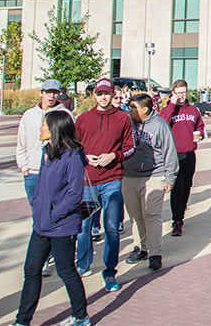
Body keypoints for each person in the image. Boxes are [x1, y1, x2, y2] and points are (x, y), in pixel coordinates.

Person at [14, 110, 89, 326]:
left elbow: (75, 194)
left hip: (62, 225)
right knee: (31, 269)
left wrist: (53, 215)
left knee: (66, 270)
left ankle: (81, 316)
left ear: (55, 129)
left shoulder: (73, 157)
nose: (40, 129)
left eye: (44, 125)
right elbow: (41, 186)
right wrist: (39, 212)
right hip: (42, 225)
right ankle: (22, 320)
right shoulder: (47, 152)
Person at [75, 77, 135, 291]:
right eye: (99, 93)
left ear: (112, 94)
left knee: (111, 228)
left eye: (106, 93)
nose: (103, 97)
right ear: (94, 95)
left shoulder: (123, 118)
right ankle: (83, 265)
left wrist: (114, 156)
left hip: (112, 180)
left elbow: (130, 147)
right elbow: (74, 147)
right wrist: (85, 157)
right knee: (83, 227)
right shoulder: (83, 119)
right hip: (87, 182)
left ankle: (110, 272)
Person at [122, 93, 178, 271]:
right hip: (130, 176)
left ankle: (155, 253)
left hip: (154, 175)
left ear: (144, 109)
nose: (129, 110)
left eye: (133, 107)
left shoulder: (160, 126)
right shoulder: (127, 124)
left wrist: (170, 177)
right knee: (135, 216)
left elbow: (170, 151)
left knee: (152, 216)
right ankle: (140, 247)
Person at [159, 79, 206, 237]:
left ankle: (181, 214)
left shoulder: (193, 110)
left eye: (184, 93)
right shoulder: (168, 109)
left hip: (189, 153)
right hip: (174, 155)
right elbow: (162, 124)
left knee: (187, 186)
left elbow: (200, 126)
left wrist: (199, 135)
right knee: (177, 188)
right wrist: (171, 105)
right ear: (173, 93)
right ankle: (176, 220)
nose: (181, 96)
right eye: (178, 93)